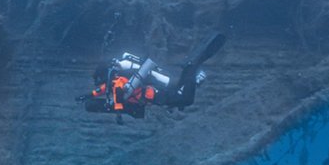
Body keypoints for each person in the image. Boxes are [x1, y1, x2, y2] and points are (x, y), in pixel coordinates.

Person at [78, 32, 226, 119]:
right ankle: (191, 69)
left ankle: (192, 66)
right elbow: (102, 90)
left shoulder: (117, 82)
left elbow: (117, 91)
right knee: (182, 93)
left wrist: (117, 111)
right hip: (158, 95)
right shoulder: (112, 82)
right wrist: (88, 95)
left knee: (186, 99)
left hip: (158, 95)